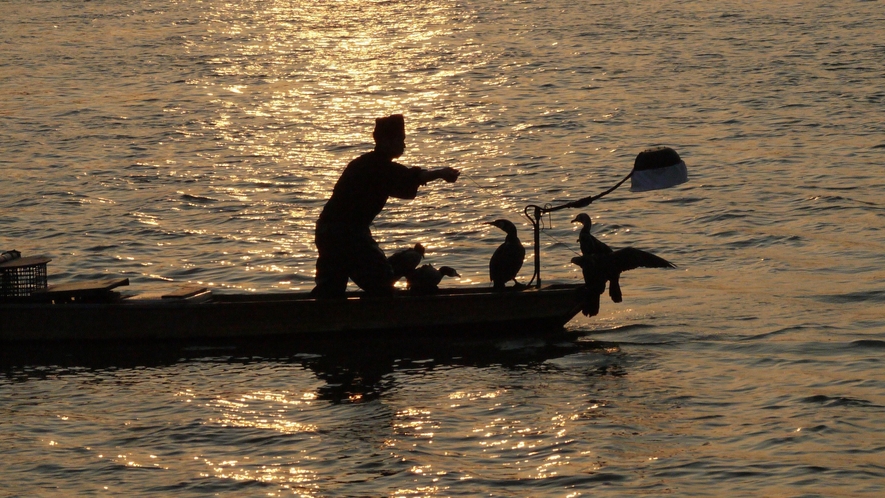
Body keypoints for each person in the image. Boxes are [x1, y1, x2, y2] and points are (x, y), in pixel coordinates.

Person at [310, 114, 460, 298]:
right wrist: (440, 173)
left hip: (328, 232)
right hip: (347, 235)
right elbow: (411, 177)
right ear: (387, 141)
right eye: (401, 140)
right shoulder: (377, 167)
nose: (404, 145)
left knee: (331, 291)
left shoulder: (365, 164)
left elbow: (404, 178)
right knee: (382, 283)